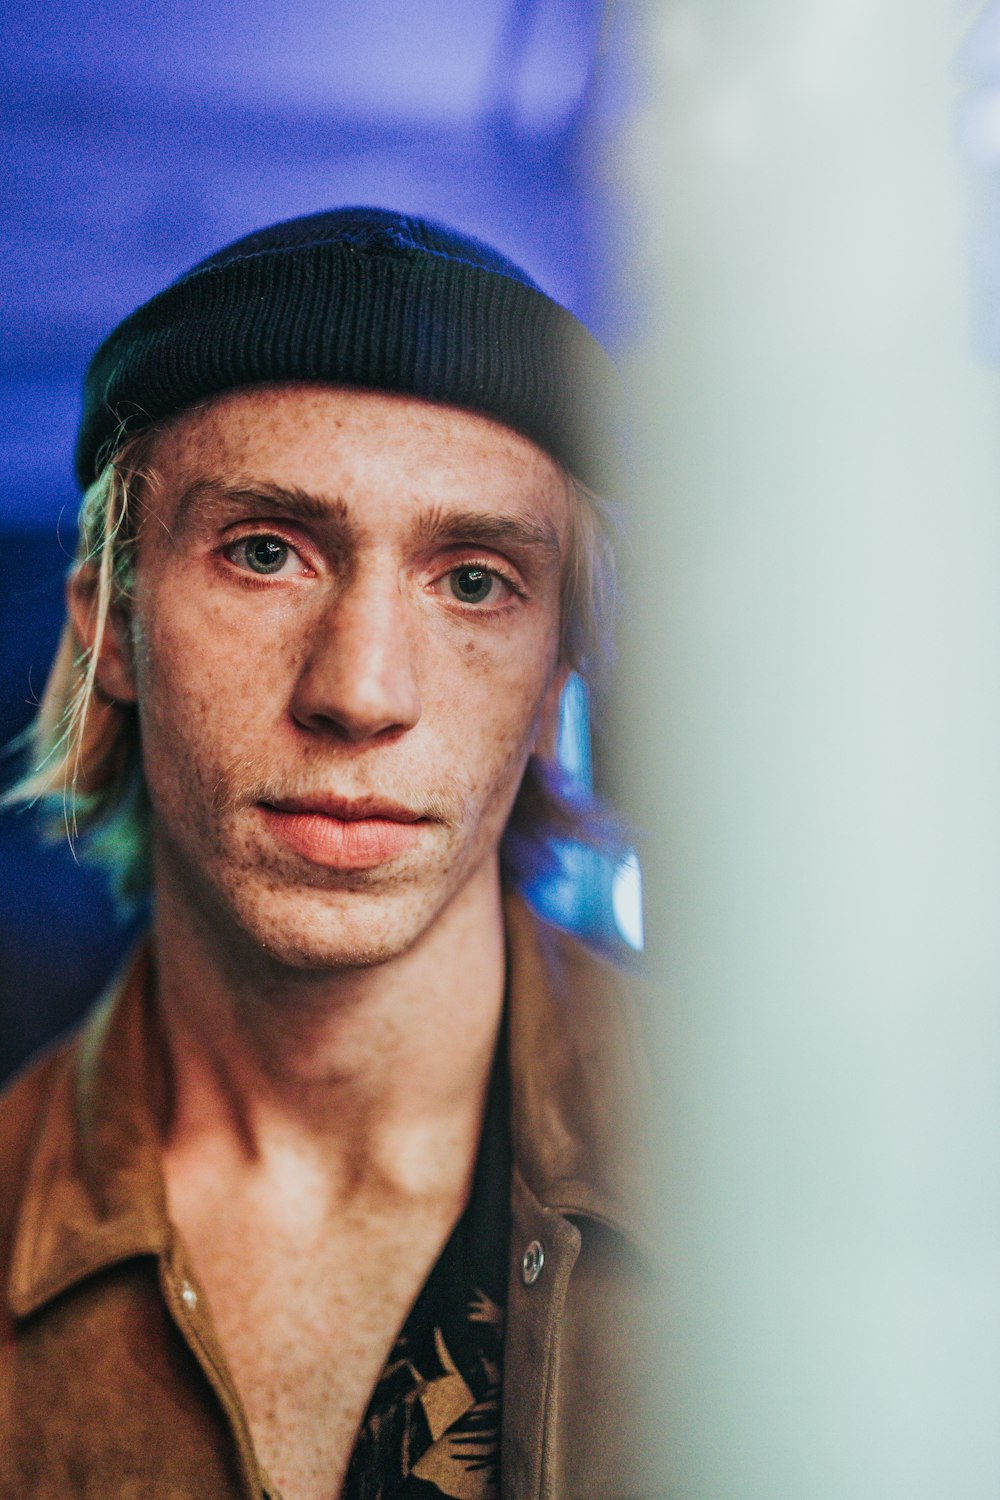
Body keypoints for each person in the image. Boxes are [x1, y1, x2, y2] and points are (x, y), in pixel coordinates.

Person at [0, 208, 657, 1500]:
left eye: (473, 580)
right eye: (264, 551)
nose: (359, 691)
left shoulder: (792, 1190)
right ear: (114, 627)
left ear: (551, 685)